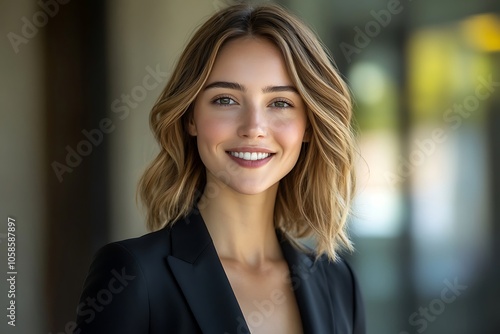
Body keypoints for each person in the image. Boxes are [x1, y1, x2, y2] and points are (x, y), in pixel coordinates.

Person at [75, 2, 365, 334]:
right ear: (190, 118)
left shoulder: (339, 282)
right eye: (225, 99)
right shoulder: (131, 275)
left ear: (309, 126)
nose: (254, 127)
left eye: (280, 103)